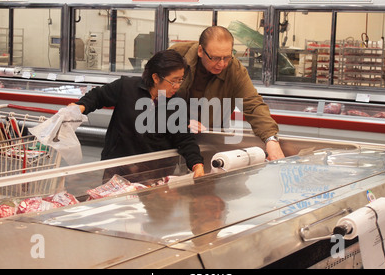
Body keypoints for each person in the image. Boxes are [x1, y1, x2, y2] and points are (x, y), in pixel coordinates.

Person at [71, 49, 205, 178]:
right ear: (156, 78)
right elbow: (98, 96)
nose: (177, 86)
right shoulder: (126, 87)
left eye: (180, 80)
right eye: (173, 81)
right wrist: (79, 107)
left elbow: (185, 139)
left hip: (155, 174)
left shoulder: (175, 104)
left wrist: (197, 164)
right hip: (118, 170)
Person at [169, 26, 285, 161]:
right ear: (201, 51)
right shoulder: (176, 57)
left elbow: (253, 105)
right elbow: (153, 99)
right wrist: (182, 122)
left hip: (210, 139)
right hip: (169, 139)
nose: (222, 64)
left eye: (227, 57)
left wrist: (271, 139)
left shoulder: (234, 69)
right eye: (216, 58)